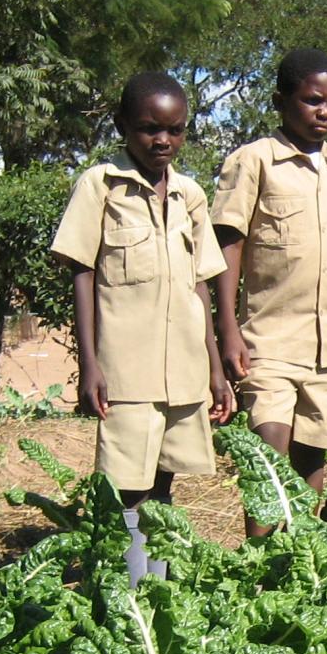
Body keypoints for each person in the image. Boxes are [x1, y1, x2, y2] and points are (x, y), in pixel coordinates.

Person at [50, 71, 235, 585]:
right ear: (122, 127)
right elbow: (82, 272)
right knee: (126, 486)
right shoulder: (100, 186)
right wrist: (90, 365)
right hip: (126, 372)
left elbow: (200, 283)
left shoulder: (190, 195)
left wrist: (216, 368)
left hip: (184, 370)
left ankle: (157, 592)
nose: (163, 141)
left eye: (175, 131)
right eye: (150, 129)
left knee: (163, 482)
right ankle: (125, 594)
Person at [211, 48, 327, 535]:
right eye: (311, 101)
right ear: (281, 102)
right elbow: (227, 240)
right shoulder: (254, 161)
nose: (324, 112)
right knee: (267, 465)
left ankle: (295, 569)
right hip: (269, 339)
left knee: (310, 467)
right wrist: (227, 329)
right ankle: (259, 572)